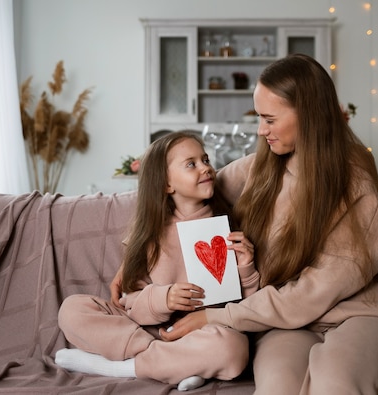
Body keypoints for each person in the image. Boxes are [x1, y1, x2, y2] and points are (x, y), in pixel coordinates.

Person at [158, 54, 378, 394]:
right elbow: (187, 193)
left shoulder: (355, 179)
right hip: (285, 324)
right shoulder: (263, 165)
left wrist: (218, 316)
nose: (260, 129)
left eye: (269, 119)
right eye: (259, 117)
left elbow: (311, 294)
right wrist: (135, 253)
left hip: (366, 313)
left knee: (334, 386)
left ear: (309, 116)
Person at [56, 131, 259, 391]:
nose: (206, 168)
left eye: (205, 159)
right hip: (149, 333)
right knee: (72, 309)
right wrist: (164, 298)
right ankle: (177, 364)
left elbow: (244, 307)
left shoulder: (227, 228)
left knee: (233, 348)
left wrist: (247, 267)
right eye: (191, 164)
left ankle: (130, 367)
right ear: (166, 185)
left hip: (204, 333)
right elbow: (130, 302)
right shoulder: (151, 234)